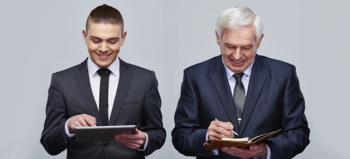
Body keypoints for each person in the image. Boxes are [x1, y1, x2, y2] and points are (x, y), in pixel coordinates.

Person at [172, 6, 310, 159]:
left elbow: (299, 133)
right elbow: (180, 137)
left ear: (259, 41)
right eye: (230, 46)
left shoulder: (283, 74)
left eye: (246, 48)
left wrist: (265, 151)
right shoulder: (195, 76)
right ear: (218, 38)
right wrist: (206, 136)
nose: (237, 56)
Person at [40, 4, 165, 159]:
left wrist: (144, 140)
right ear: (85, 36)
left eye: (112, 41)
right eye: (96, 40)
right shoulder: (62, 81)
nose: (104, 48)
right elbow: (49, 143)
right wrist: (68, 126)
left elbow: (158, 133)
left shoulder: (145, 80)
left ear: (123, 38)